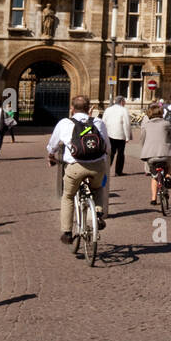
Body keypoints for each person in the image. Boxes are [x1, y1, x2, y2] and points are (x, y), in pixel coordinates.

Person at [46, 96, 110, 245]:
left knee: (68, 196)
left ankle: (67, 233)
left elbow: (52, 145)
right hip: (97, 166)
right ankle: (99, 214)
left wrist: (50, 155)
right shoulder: (98, 122)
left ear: (72, 109)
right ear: (89, 109)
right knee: (98, 188)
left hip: (75, 166)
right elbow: (107, 147)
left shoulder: (65, 123)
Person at [139, 104, 171, 205]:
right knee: (169, 164)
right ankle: (167, 176)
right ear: (161, 113)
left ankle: (153, 199)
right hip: (165, 154)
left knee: (154, 177)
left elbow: (142, 139)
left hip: (151, 155)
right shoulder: (166, 124)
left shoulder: (146, 124)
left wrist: (144, 148)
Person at [103, 97, 133, 175]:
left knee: (111, 153)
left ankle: (106, 169)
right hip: (120, 134)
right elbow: (126, 124)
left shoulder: (108, 109)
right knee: (120, 153)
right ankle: (118, 171)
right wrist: (127, 136)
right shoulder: (124, 110)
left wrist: (104, 133)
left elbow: (103, 121)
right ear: (121, 102)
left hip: (109, 134)